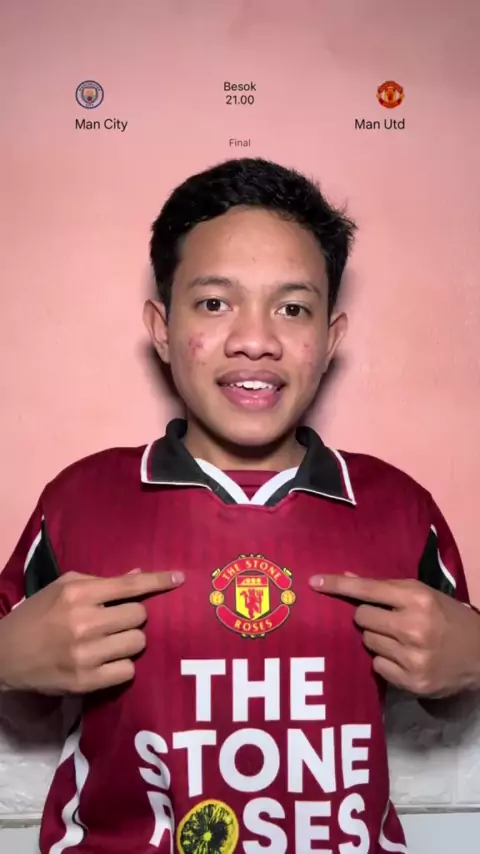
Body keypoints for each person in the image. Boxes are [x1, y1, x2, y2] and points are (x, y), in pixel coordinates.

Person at [0, 157, 479, 854]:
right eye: (215, 303)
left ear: (331, 339)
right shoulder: (80, 499)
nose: (255, 340)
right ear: (162, 328)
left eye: (292, 308)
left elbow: (449, 680)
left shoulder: (401, 508)